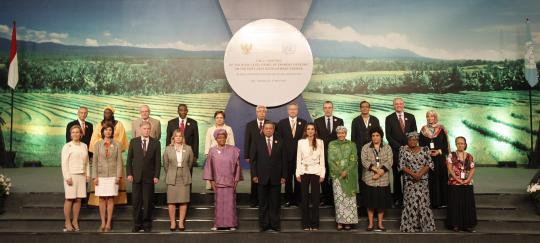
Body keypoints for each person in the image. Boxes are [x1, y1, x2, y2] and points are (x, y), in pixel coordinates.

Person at [88, 106, 129, 205]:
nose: (107, 114)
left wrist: (112, 144)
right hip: (102, 155)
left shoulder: (119, 124)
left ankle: (118, 200)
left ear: (112, 114)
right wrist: (104, 144)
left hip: (114, 156)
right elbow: (94, 140)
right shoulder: (99, 125)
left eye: (109, 112)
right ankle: (97, 201)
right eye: (105, 112)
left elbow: (122, 139)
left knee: (116, 178)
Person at [203, 129, 242, 231]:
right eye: (219, 138)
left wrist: (236, 182)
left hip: (230, 182)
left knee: (230, 204)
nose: (221, 139)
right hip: (218, 182)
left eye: (223, 137)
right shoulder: (212, 151)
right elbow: (209, 168)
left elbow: (238, 167)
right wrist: (212, 182)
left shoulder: (233, 150)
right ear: (216, 139)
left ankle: (232, 224)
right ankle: (217, 224)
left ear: (226, 138)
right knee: (219, 204)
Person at [250, 122, 287, 232]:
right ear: (263, 129)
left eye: (271, 128)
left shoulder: (280, 141)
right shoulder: (257, 141)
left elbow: (284, 160)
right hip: (261, 177)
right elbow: (253, 160)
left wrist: (284, 175)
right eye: (266, 128)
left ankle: (275, 224)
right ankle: (264, 225)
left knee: (275, 203)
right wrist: (254, 175)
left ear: (274, 129)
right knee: (263, 203)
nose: (268, 130)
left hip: (276, 177)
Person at [126, 121, 161, 233]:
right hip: (136, 177)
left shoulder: (156, 143)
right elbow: (129, 160)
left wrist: (156, 176)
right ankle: (136, 223)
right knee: (136, 202)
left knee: (147, 201)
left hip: (149, 177)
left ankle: (146, 223)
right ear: (140, 129)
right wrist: (129, 173)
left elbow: (157, 161)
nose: (146, 130)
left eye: (148, 128)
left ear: (150, 130)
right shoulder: (133, 142)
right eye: (144, 128)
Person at [399, 132, 436, 232]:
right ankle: (410, 226)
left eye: (415, 139)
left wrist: (419, 174)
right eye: (410, 139)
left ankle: (425, 226)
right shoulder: (403, 150)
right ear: (408, 141)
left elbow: (429, 164)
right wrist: (414, 175)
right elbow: (402, 165)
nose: (413, 141)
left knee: (423, 203)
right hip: (410, 181)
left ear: (418, 140)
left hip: (422, 180)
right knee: (411, 203)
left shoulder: (425, 149)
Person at [385, 97, 417, 207]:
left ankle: (409, 198)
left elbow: (414, 134)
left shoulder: (411, 117)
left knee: (409, 175)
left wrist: (409, 146)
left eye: (400, 103)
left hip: (410, 151)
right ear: (393, 105)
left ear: (403, 105)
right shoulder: (389, 118)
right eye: (396, 104)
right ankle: (398, 199)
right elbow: (388, 136)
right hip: (395, 152)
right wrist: (400, 147)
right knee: (397, 176)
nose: (398, 105)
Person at [92, 123, 123, 232]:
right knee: (101, 199)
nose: (108, 132)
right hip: (100, 175)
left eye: (110, 130)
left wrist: (118, 176)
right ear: (103, 132)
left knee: (110, 199)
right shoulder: (97, 144)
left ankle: (108, 223)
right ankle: (102, 222)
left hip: (112, 175)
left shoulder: (118, 144)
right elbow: (94, 161)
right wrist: (94, 177)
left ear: (112, 132)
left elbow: (119, 161)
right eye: (106, 130)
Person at [361, 126, 392, 232]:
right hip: (370, 179)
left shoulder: (387, 147)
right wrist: (375, 170)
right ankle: (370, 224)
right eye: (373, 136)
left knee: (381, 203)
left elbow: (390, 161)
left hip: (383, 179)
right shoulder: (366, 147)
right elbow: (364, 161)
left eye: (377, 135)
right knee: (370, 203)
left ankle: (380, 223)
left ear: (381, 136)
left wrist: (379, 174)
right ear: (371, 137)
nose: (375, 138)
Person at [295, 123, 325, 231]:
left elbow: (322, 159)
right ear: (306, 131)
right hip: (304, 171)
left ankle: (315, 224)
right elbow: (298, 158)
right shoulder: (301, 142)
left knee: (316, 199)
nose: (310, 131)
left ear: (315, 130)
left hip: (316, 171)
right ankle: (305, 224)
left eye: (312, 129)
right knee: (304, 198)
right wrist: (297, 173)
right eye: (308, 129)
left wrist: (322, 173)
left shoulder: (320, 142)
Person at [163, 129, 194, 231]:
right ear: (173, 138)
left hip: (184, 176)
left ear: (182, 138)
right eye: (176, 136)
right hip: (172, 177)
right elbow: (166, 164)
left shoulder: (188, 148)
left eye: (180, 136)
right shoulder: (168, 149)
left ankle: (181, 222)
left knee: (183, 201)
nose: (178, 138)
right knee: (171, 201)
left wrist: (183, 170)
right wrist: (172, 172)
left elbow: (190, 164)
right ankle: (172, 222)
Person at [328, 126, 358, 231]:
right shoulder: (332, 144)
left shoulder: (351, 144)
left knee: (349, 199)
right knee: (339, 199)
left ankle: (348, 222)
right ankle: (340, 222)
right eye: (339, 133)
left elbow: (354, 160)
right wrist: (340, 172)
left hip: (349, 176)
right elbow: (330, 160)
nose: (341, 135)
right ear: (336, 134)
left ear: (346, 133)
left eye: (343, 133)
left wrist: (347, 171)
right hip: (337, 176)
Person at [314, 101, 344, 206]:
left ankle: (334, 198)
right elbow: (316, 139)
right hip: (322, 155)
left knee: (335, 177)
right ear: (323, 109)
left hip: (336, 156)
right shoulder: (317, 121)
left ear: (332, 108)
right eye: (325, 107)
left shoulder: (339, 121)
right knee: (324, 177)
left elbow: (341, 139)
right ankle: (325, 199)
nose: (327, 109)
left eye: (329, 107)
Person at [61, 125, 90, 232]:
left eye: (77, 132)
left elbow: (87, 162)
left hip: (82, 175)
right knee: (69, 199)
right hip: (71, 176)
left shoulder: (84, 146)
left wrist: (88, 174)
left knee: (78, 199)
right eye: (73, 132)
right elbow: (64, 163)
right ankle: (67, 221)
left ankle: (75, 221)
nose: (75, 134)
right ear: (70, 134)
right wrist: (67, 177)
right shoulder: (67, 146)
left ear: (81, 134)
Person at [277, 102, 306, 207]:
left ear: (297, 111)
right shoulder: (281, 123)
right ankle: (288, 200)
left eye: (294, 109)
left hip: (300, 157)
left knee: (299, 179)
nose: (293, 111)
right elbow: (279, 141)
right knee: (288, 180)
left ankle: (298, 200)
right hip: (286, 157)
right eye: (290, 109)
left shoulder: (303, 123)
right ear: (288, 111)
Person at [351, 100, 380, 205]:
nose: (364, 108)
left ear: (369, 108)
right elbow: (353, 139)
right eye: (362, 107)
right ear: (360, 108)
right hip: (359, 153)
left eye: (366, 106)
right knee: (361, 176)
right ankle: (362, 200)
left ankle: (373, 198)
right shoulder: (355, 121)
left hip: (373, 153)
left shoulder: (375, 120)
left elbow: (379, 136)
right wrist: (355, 153)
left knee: (373, 173)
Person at [446, 136, 477, 232]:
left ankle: (468, 225)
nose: (460, 145)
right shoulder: (451, 155)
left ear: (465, 144)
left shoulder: (470, 156)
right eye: (458, 143)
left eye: (462, 143)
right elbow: (450, 169)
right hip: (455, 182)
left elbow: (472, 169)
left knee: (467, 204)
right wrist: (458, 180)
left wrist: (468, 180)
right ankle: (456, 225)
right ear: (456, 144)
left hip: (467, 183)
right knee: (455, 204)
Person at [419, 110, 449, 208]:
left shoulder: (441, 129)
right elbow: (421, 145)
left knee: (441, 178)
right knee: (430, 180)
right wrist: (427, 152)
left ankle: (443, 202)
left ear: (435, 117)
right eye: (428, 116)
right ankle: (431, 202)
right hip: (428, 159)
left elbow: (446, 144)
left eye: (432, 116)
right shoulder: (423, 130)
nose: (430, 118)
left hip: (439, 158)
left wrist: (439, 151)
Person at [244, 105, 269, 207]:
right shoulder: (250, 125)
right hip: (254, 156)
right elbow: (247, 141)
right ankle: (254, 200)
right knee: (254, 178)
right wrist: (247, 155)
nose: (262, 113)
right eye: (260, 111)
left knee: (266, 178)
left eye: (263, 111)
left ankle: (264, 200)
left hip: (267, 156)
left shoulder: (270, 124)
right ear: (256, 112)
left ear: (266, 113)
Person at [204, 111, 235, 190]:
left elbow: (231, 143)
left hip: (225, 155)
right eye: (217, 118)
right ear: (215, 119)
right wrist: (207, 154)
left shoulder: (228, 129)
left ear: (224, 119)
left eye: (221, 118)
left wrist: (231, 155)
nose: (219, 119)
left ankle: (224, 185)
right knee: (213, 172)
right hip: (213, 155)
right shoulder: (210, 129)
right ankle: (212, 186)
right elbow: (208, 143)